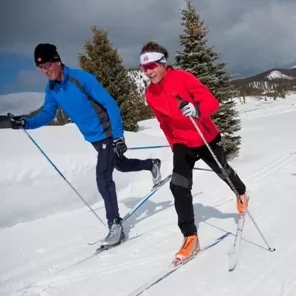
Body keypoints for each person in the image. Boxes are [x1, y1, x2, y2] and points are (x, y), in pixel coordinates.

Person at [8, 43, 162, 247]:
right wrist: (26, 123)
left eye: (47, 66)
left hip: (107, 133)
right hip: (94, 139)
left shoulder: (81, 79)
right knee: (120, 165)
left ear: (57, 61)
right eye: (41, 69)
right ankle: (152, 164)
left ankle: (115, 225)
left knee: (102, 177)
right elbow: (47, 114)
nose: (45, 72)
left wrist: (117, 137)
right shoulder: (52, 88)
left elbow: (110, 104)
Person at [138, 41, 249, 263]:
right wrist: (174, 145)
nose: (148, 71)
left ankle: (241, 192)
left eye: (152, 66)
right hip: (181, 142)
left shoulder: (183, 78)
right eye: (144, 68)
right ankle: (190, 236)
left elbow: (211, 102)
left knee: (222, 170)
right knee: (178, 186)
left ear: (162, 63)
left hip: (204, 135)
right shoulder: (150, 94)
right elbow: (163, 123)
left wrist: (197, 109)